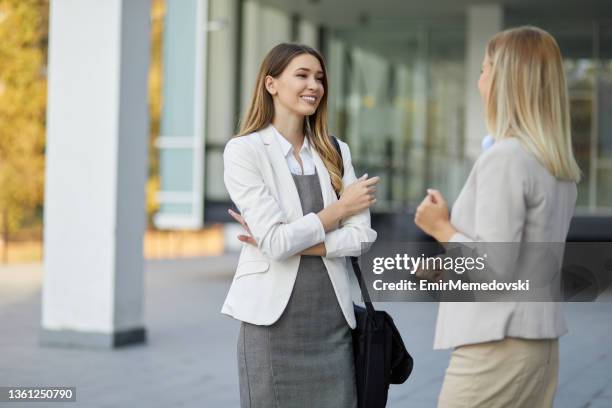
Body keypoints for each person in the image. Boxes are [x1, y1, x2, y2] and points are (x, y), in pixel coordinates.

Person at [414, 26, 581, 407]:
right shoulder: (555, 166)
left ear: (507, 81)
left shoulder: (506, 158)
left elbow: (492, 272)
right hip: (536, 345)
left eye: (486, 69)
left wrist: (440, 227)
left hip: (496, 347)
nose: (479, 80)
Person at [222, 43, 379, 408]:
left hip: (332, 323)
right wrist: (339, 210)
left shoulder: (336, 151)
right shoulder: (245, 151)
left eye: (320, 78)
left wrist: (295, 241)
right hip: (271, 327)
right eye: (303, 75)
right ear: (271, 84)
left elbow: (362, 238)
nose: (315, 86)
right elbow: (277, 243)